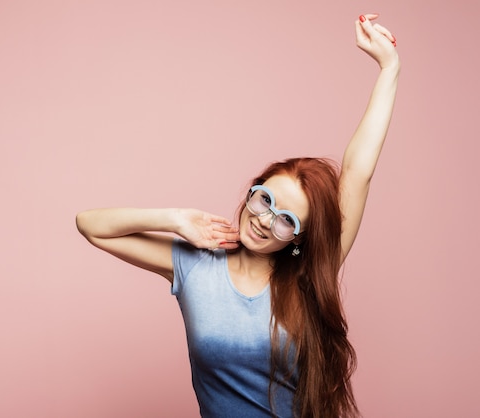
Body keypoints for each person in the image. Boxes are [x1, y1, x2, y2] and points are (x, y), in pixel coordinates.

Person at [76, 13, 399, 418]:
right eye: (265, 200)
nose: (266, 219)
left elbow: (357, 173)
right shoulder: (195, 266)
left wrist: (389, 68)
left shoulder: (309, 275)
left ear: (298, 238)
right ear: (251, 191)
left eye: (286, 219)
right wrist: (176, 218)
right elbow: (91, 225)